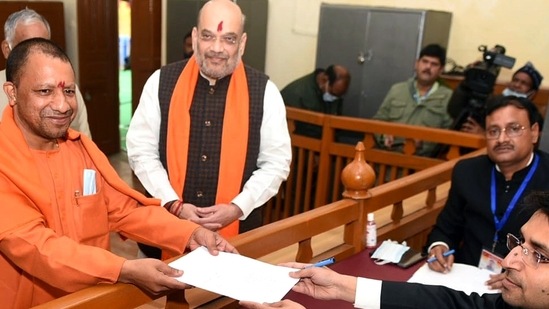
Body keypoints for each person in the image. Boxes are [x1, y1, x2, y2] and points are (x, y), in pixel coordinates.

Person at [0, 37, 237, 308]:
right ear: (12, 92)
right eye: (44, 91)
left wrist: (190, 233)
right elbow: (38, 248)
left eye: (68, 92)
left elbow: (126, 211)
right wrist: (123, 270)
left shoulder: (80, 149)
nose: (63, 105)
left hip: (96, 298)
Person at [126, 0, 291, 258]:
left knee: (226, 300)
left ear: (243, 43)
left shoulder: (265, 93)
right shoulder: (161, 82)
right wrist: (174, 204)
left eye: (228, 38)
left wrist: (238, 207)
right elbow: (141, 151)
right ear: (194, 37)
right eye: (207, 36)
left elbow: (276, 163)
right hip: (162, 239)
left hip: (237, 239)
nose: (217, 48)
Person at [239, 191, 549, 309]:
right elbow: (454, 304)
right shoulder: (517, 303)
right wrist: (342, 285)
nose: (510, 260)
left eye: (538, 254)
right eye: (519, 244)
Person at [425, 96, 549, 285]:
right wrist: (439, 247)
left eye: (514, 129)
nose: (502, 139)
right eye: (493, 131)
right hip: (464, 277)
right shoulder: (466, 171)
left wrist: (517, 276)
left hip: (526, 286)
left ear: (534, 132)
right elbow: (445, 228)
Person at [0, 8, 92, 138]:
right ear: (7, 50)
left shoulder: (70, 92)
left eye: (44, 46)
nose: (61, 106)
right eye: (27, 48)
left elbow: (84, 144)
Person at [373, 43, 453, 157]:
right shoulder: (397, 90)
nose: (428, 67)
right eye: (424, 62)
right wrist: (384, 135)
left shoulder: (447, 97)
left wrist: (424, 143)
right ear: (416, 64)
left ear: (441, 70)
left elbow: (449, 134)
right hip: (389, 158)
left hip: (422, 163)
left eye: (434, 64)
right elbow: (378, 120)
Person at [449, 62, 544, 135]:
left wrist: (484, 135)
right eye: (515, 80)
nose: (517, 85)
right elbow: (454, 110)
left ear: (533, 92)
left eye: (524, 83)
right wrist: (466, 83)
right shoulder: (492, 102)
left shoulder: (533, 116)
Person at [280, 65, 350, 138]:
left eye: (339, 95)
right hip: (300, 142)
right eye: (333, 94)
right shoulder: (297, 93)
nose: (335, 98)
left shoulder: (335, 92)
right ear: (325, 80)